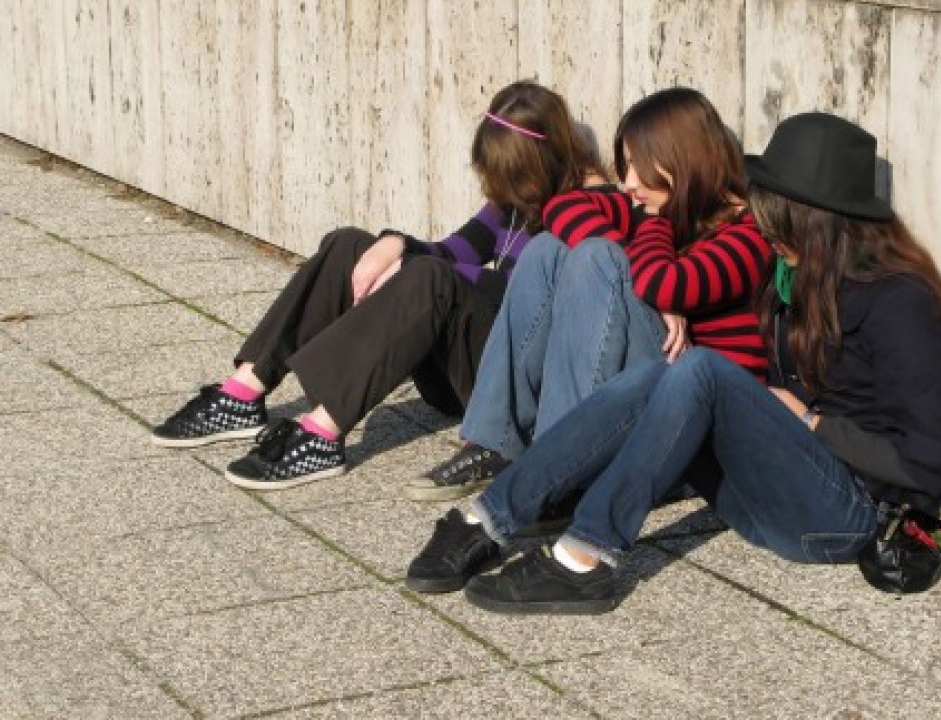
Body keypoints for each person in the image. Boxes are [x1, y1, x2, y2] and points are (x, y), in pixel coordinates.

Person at [403, 112, 941, 614]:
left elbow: (938, 462)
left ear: (814, 220)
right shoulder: (800, 279)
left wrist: (812, 423)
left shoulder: (898, 302)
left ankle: (586, 555)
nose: (764, 225)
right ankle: (488, 518)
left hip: (846, 515)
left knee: (700, 367)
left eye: (776, 214)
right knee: (664, 372)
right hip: (770, 496)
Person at [149, 81, 603, 490]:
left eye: (509, 178)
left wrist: (412, 266)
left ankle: (322, 434)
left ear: (542, 160)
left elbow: (525, 296)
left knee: (429, 277)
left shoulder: (591, 208)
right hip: (459, 366)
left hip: (507, 386)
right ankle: (244, 391)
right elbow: (457, 250)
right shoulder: (519, 194)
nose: (498, 191)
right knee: (350, 244)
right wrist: (397, 244)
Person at [401, 87, 772, 501]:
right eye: (626, 166)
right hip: (662, 377)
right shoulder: (667, 209)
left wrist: (650, 238)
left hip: (700, 425)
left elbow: (664, 283)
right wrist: (641, 259)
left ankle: (561, 471)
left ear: (682, 161)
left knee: (598, 256)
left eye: (639, 166)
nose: (628, 184)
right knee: (549, 247)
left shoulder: (749, 234)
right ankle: (496, 443)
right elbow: (560, 208)